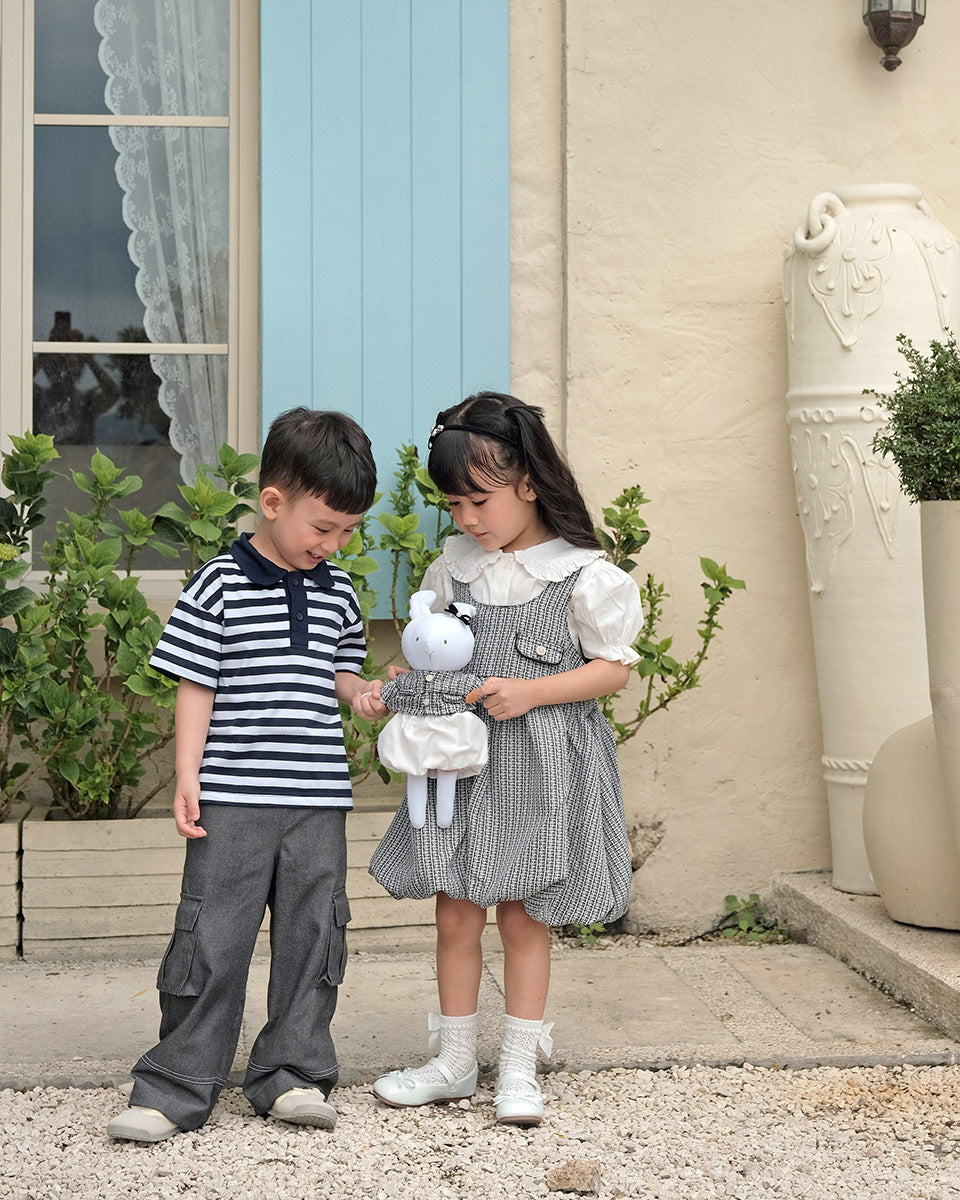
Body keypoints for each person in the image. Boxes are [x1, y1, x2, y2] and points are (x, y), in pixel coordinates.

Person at [107, 407, 388, 1142]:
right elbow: (194, 683)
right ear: (272, 503)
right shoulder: (218, 585)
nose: (333, 544)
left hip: (317, 800)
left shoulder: (337, 590)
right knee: (211, 938)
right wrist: (186, 773)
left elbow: (339, 667)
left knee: (313, 938)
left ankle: (293, 1073)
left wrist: (359, 693)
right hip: (233, 799)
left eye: (348, 532)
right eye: (323, 528)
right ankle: (175, 1085)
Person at [368, 391, 643, 1126]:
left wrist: (533, 691)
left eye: (479, 500)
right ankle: (455, 1060)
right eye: (453, 504)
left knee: (524, 916)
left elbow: (613, 667)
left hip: (541, 762)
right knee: (454, 911)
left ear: (529, 481)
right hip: (458, 765)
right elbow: (434, 654)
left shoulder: (584, 575)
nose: (466, 519)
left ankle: (519, 1066)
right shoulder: (453, 569)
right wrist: (406, 686)